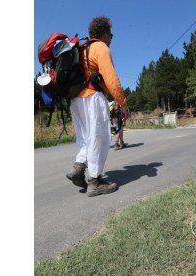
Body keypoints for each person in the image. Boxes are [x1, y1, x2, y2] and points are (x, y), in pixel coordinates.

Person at [66, 16, 131, 197]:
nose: (112, 37)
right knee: (100, 138)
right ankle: (95, 182)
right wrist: (123, 103)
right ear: (104, 33)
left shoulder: (82, 49)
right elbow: (111, 79)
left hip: (76, 99)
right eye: (111, 34)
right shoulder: (100, 47)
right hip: (92, 98)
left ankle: (79, 168)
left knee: (86, 137)